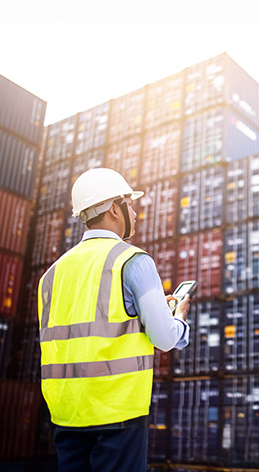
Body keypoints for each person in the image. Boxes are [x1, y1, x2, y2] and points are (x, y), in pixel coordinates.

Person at [37, 168, 190, 472]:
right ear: (114, 209)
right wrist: (180, 319)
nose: (134, 212)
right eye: (130, 204)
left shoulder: (50, 275)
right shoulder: (133, 261)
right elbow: (164, 338)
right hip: (117, 414)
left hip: (67, 414)